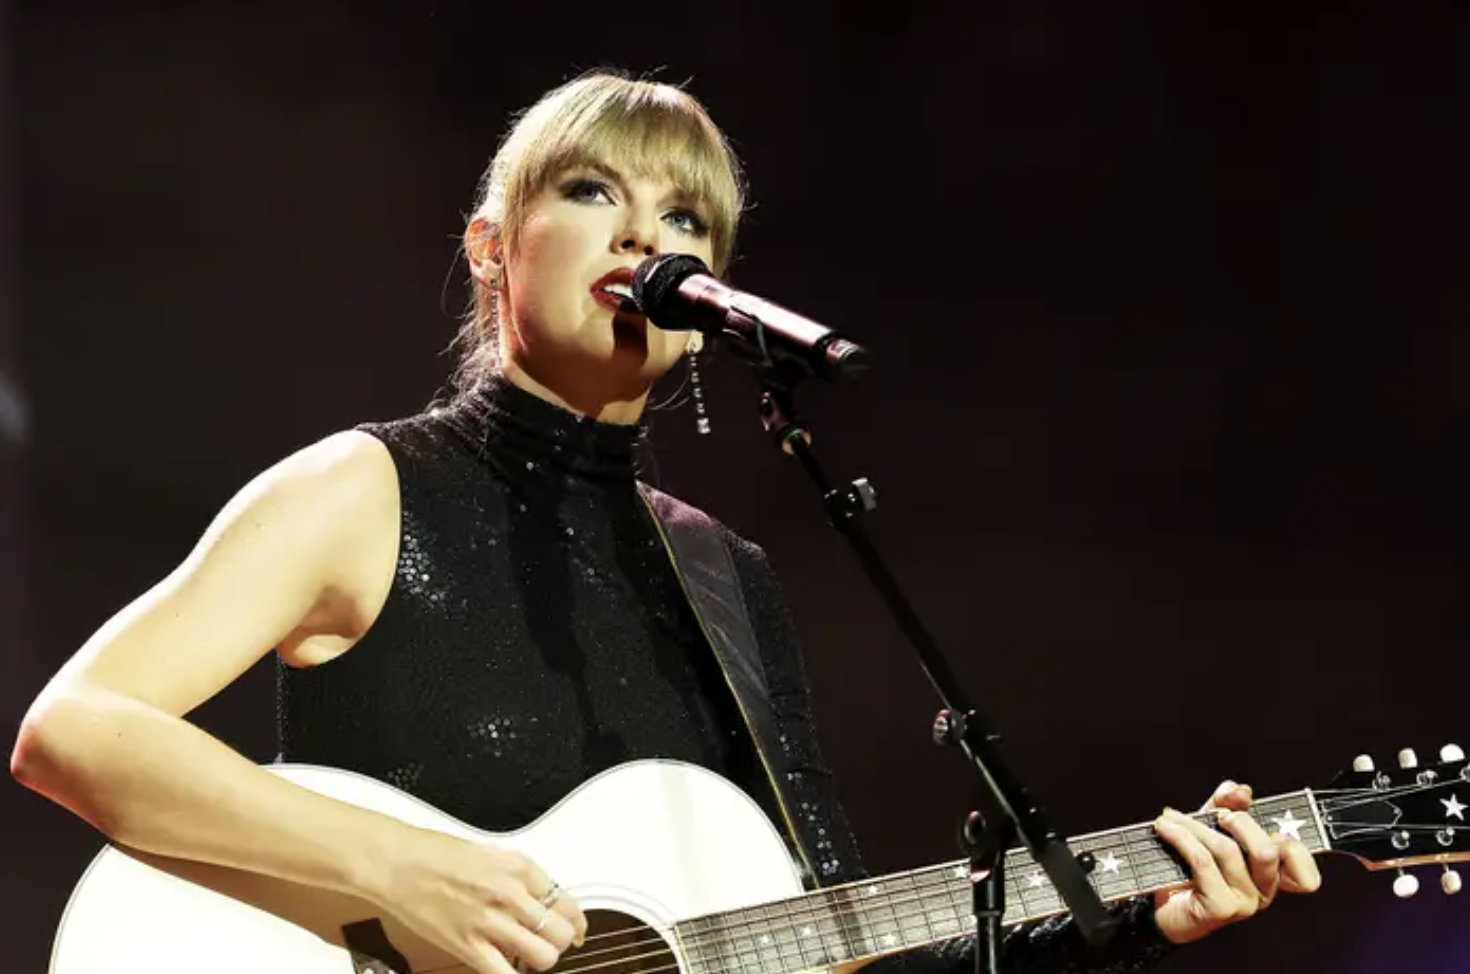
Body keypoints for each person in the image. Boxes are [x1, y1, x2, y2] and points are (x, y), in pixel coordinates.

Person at [10, 71, 1319, 974]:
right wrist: (399, 868)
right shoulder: (364, 491)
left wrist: (1130, 918)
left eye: (685, 216)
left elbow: (830, 947)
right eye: (592, 192)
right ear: (487, 246)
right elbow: (75, 730)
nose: (644, 233)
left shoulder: (725, 575)